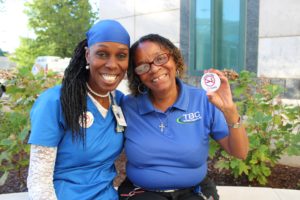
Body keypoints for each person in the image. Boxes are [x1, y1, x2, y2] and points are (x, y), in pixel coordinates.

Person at [118, 34, 249, 200]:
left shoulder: (204, 100)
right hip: (142, 191)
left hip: (193, 190)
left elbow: (240, 152)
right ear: (137, 75)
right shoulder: (128, 106)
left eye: (160, 58)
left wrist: (230, 111)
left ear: (175, 59)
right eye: (142, 66)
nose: (154, 68)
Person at [27, 19, 130, 200]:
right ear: (88, 55)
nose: (113, 64)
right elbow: (39, 178)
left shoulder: (119, 101)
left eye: (121, 56)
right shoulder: (55, 101)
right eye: (102, 54)